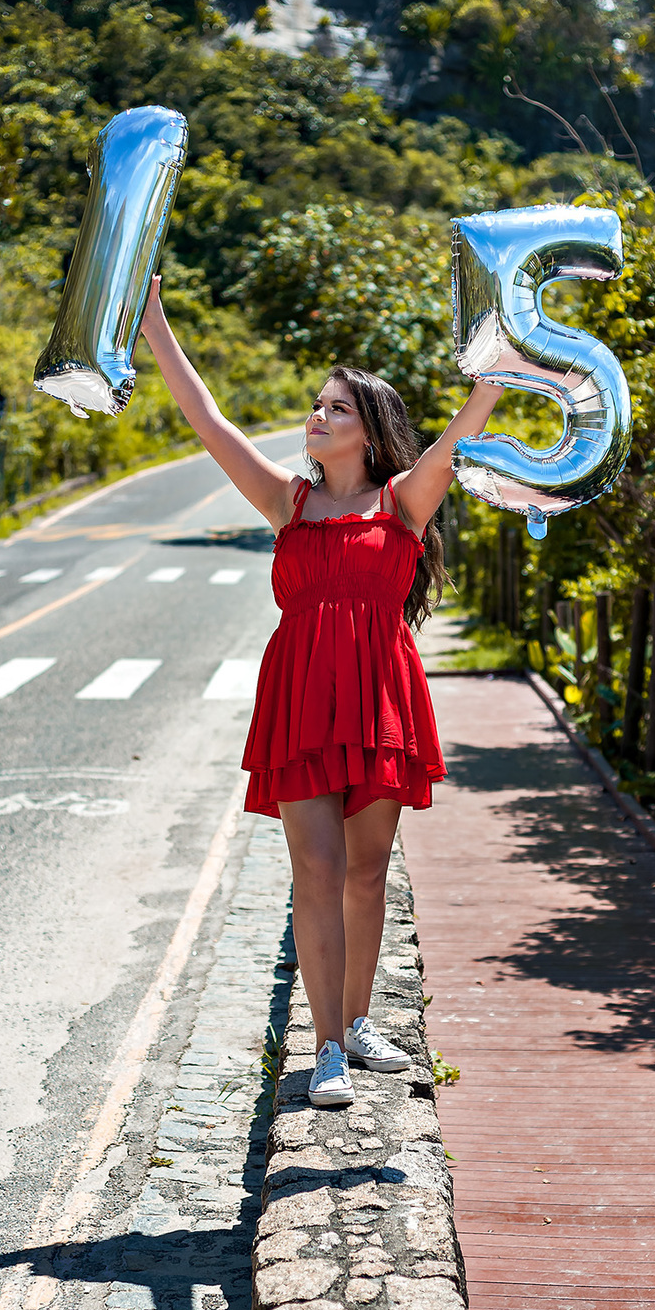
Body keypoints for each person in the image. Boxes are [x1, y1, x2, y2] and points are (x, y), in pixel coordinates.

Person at [139, 278, 502, 1108]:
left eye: (337, 408)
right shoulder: (287, 501)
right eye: (317, 404)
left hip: (378, 695)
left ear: (369, 430)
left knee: (368, 871)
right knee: (318, 863)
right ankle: (328, 1046)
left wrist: (502, 364)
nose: (319, 415)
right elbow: (209, 422)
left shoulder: (405, 501)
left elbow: (463, 430)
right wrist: (156, 327)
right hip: (301, 698)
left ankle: (361, 1019)